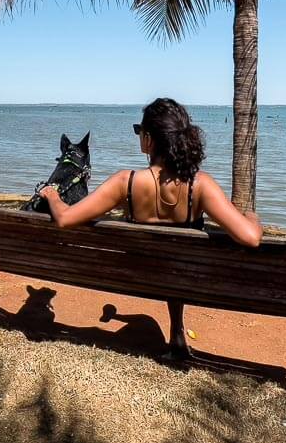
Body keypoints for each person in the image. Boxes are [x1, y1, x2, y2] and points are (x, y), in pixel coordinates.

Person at [39, 97, 262, 358]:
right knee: (176, 261)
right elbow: (251, 237)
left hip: (137, 275)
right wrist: (251, 216)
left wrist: (52, 195)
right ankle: (177, 331)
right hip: (185, 279)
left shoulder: (124, 182)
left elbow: (65, 218)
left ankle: (176, 330)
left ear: (149, 139)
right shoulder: (200, 184)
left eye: (139, 131)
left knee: (168, 261)